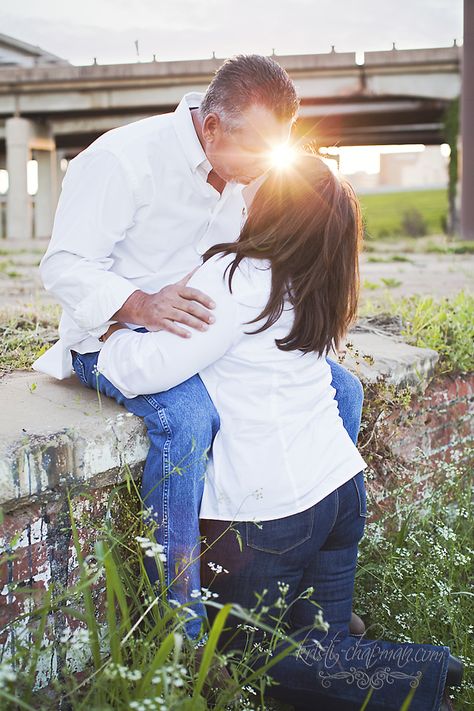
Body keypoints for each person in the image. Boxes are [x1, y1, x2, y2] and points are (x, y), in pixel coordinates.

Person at [94, 154, 461, 711]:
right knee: (323, 657)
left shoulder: (238, 274)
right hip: (338, 491)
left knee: (244, 664)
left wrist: (111, 332)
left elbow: (148, 370)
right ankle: (428, 673)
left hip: (268, 519)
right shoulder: (321, 278)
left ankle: (424, 678)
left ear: (278, 206)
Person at [34, 54, 365, 643]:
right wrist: (136, 305)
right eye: (260, 152)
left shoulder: (249, 166)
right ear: (211, 128)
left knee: (342, 388)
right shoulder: (121, 161)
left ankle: (306, 583)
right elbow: (62, 266)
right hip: (115, 334)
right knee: (189, 417)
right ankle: (178, 619)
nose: (268, 168)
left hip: (202, 334)